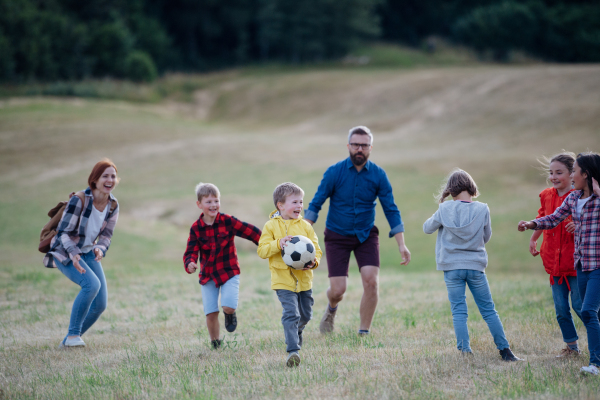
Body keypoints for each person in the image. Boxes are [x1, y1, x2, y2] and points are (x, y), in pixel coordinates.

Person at [304, 126, 410, 337]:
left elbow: (391, 209)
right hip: (336, 236)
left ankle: (364, 332)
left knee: (371, 281)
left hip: (365, 235)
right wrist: (303, 234)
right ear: (348, 146)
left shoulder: (379, 175)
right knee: (338, 290)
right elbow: (316, 204)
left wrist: (401, 244)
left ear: (371, 148)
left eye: (364, 145)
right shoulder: (334, 172)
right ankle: (331, 309)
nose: (359, 149)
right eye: (355, 145)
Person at [424, 169, 522, 361]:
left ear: (450, 189)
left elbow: (427, 228)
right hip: (475, 266)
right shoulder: (483, 209)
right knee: (488, 310)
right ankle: (505, 351)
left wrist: (441, 212)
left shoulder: (444, 209)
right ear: (471, 187)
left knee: (459, 311)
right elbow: (486, 237)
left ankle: (464, 351)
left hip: (452, 267)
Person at [519, 152, 600, 375]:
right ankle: (584, 353)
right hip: (577, 264)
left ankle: (596, 362)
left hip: (593, 265)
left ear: (586, 174)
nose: (572, 176)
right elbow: (552, 217)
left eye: (573, 171)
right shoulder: (573, 198)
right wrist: (532, 225)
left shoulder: (595, 199)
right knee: (576, 310)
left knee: (587, 310)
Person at [43, 159, 120, 349]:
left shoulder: (113, 205)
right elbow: (63, 233)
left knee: (100, 304)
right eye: (105, 176)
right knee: (91, 285)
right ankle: (73, 336)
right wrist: (74, 254)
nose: (110, 180)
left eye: (113, 176)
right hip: (65, 251)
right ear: (94, 180)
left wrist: (99, 249)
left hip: (88, 252)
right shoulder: (80, 200)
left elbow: (107, 236)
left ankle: (69, 339)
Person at [184, 183, 261, 350]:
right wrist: (190, 262)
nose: (213, 205)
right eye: (209, 202)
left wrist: (267, 243)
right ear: (199, 204)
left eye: (216, 201)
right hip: (208, 275)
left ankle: (230, 314)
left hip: (229, 272)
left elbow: (251, 232)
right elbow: (191, 250)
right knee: (211, 313)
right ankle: (216, 343)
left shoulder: (228, 221)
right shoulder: (196, 229)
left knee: (228, 306)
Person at [257, 182, 322, 367]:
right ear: (281, 205)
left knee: (306, 315)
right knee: (291, 313)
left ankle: (297, 330)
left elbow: (317, 250)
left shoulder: (306, 227)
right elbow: (262, 251)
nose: (300, 206)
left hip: (304, 281)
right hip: (282, 281)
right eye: (295, 202)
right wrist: (278, 243)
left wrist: (314, 262)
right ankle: (293, 351)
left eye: (301, 202)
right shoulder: (270, 226)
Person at [529, 152, 583, 357]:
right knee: (561, 309)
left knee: (580, 306)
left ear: (573, 174)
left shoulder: (580, 197)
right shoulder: (546, 195)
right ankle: (571, 347)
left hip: (575, 263)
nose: (554, 177)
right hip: (554, 263)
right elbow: (543, 218)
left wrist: (577, 226)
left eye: (559, 172)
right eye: (551, 172)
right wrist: (534, 238)